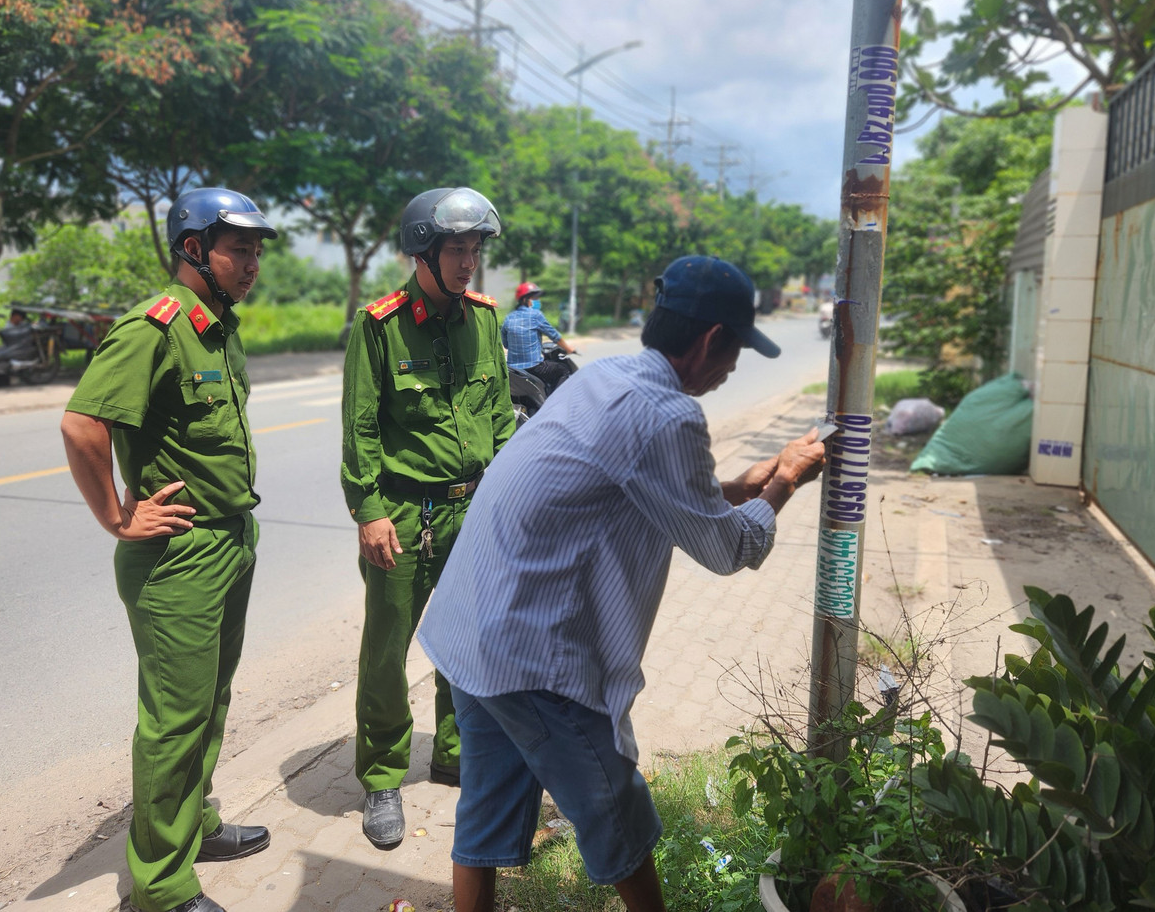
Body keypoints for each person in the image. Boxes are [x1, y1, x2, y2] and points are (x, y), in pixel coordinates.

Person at [416, 255, 828, 912]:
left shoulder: (603, 378)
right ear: (710, 340)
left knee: (486, 810)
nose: (731, 371)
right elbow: (730, 546)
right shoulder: (666, 414)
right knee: (616, 811)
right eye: (735, 353)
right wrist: (786, 481)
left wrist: (757, 477)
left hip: (471, 628)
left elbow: (661, 494)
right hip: (531, 656)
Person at [61, 188, 277, 912]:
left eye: (254, 250)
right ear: (193, 249)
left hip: (229, 538)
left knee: (210, 703)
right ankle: (159, 883)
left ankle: (196, 823)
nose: (251, 263)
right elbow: (81, 425)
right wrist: (118, 517)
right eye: (237, 249)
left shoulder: (216, 325)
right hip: (178, 552)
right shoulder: (153, 328)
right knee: (174, 717)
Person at [340, 186, 516, 850]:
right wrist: (368, 508)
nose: (469, 262)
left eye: (475, 249)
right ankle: (384, 773)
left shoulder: (485, 319)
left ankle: (454, 751)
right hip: (404, 513)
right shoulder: (381, 324)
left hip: (473, 506)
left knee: (466, 638)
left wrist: (507, 497)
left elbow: (499, 413)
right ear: (424, 251)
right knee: (388, 646)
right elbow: (360, 423)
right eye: (457, 250)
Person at [500, 281, 577, 393]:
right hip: (534, 367)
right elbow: (554, 336)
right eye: (534, 297)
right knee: (563, 370)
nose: (537, 300)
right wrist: (569, 349)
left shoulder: (508, 318)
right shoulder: (536, 315)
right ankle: (555, 403)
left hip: (513, 369)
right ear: (525, 299)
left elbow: (506, 344)